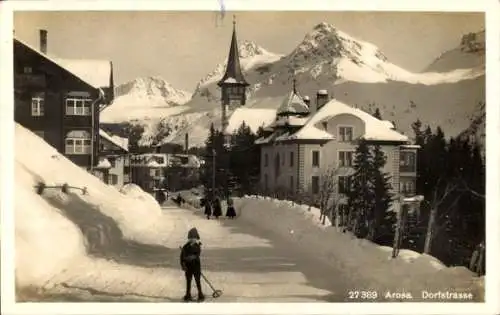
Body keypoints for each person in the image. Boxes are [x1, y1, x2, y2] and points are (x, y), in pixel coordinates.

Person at [180, 227, 205, 302]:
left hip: (196, 266)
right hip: (188, 267)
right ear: (189, 238)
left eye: (194, 237)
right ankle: (188, 294)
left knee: (197, 281)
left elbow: (197, 254)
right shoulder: (185, 246)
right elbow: (182, 257)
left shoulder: (197, 246)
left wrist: (191, 257)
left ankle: (200, 294)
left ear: (196, 238)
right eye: (191, 237)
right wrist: (183, 264)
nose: (193, 239)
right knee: (188, 281)